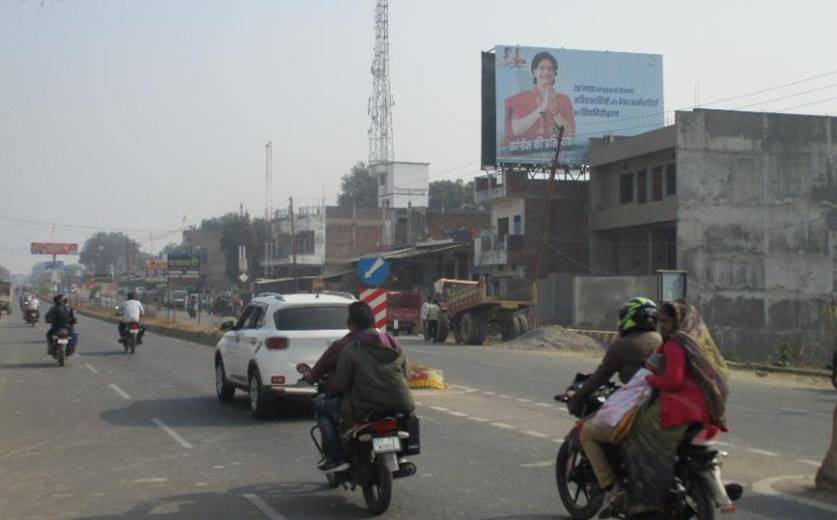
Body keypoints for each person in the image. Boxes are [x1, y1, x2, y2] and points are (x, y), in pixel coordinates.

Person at [620, 302, 729, 518]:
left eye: (666, 321)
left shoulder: (676, 344)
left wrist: (652, 379)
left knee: (634, 432)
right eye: (659, 321)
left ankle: (648, 495)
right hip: (703, 408)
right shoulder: (693, 340)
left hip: (682, 407)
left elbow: (673, 380)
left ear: (678, 322)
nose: (662, 326)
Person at [572, 297, 660, 504]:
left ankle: (611, 488)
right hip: (661, 407)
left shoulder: (623, 345)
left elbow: (600, 377)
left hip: (638, 410)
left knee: (587, 434)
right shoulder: (661, 340)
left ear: (630, 318)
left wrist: (578, 397)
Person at [303, 301, 393, 474]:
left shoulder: (344, 346)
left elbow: (338, 382)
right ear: (373, 321)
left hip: (358, 403)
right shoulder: (390, 341)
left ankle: (336, 457)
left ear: (350, 324)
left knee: (320, 406)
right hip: (394, 400)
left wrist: (310, 377)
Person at [333, 302, 415, 459]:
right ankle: (402, 455)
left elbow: (342, 384)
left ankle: (344, 460)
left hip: (364, 408)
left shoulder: (350, 348)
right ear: (374, 322)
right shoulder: (394, 344)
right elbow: (407, 376)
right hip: (401, 403)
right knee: (408, 421)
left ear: (351, 325)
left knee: (343, 425)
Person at [503, 51, 576, 144]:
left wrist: (554, 111)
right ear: (534, 71)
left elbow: (571, 133)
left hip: (556, 156)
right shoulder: (521, 97)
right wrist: (542, 108)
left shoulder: (563, 100)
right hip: (526, 155)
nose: (546, 72)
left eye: (550, 69)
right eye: (542, 68)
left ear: (554, 73)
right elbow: (516, 129)